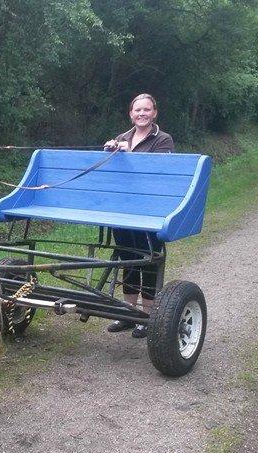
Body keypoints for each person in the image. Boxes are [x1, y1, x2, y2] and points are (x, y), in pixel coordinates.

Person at [103, 93, 174, 337]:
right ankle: (128, 314)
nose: (141, 114)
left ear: (154, 113)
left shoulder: (163, 139)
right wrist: (109, 151)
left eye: (146, 110)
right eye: (137, 110)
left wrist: (129, 155)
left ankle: (147, 318)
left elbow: (156, 173)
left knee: (148, 260)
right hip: (123, 210)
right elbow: (113, 173)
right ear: (130, 114)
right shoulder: (122, 138)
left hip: (151, 211)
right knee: (127, 258)